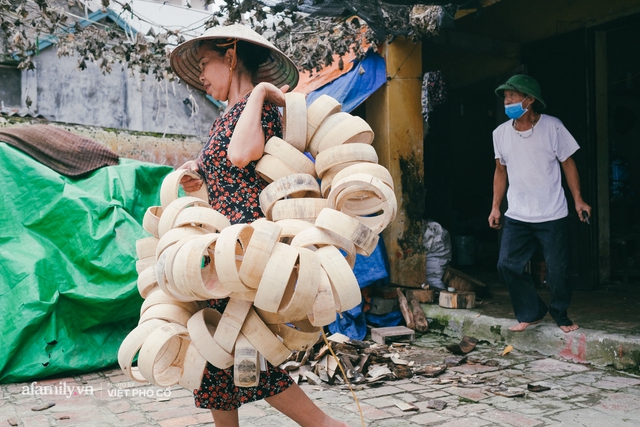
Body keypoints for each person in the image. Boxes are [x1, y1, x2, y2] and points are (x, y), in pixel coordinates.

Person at [169, 24, 349, 427]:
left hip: (247, 244)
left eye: (205, 63)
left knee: (242, 345)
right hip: (219, 243)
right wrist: (197, 175)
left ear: (230, 56)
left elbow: (241, 154)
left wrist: (262, 92)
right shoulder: (225, 116)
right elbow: (225, 171)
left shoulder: (260, 107)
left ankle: (326, 425)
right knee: (217, 352)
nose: (201, 75)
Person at [488, 74, 591, 334]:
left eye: (512, 95)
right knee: (506, 264)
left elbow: (568, 163)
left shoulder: (553, 127)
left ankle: (561, 315)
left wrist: (578, 199)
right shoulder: (500, 134)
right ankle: (531, 312)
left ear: (530, 99)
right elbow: (500, 172)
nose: (506, 101)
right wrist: (495, 206)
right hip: (518, 213)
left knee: (557, 271)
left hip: (552, 212)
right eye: (505, 97)